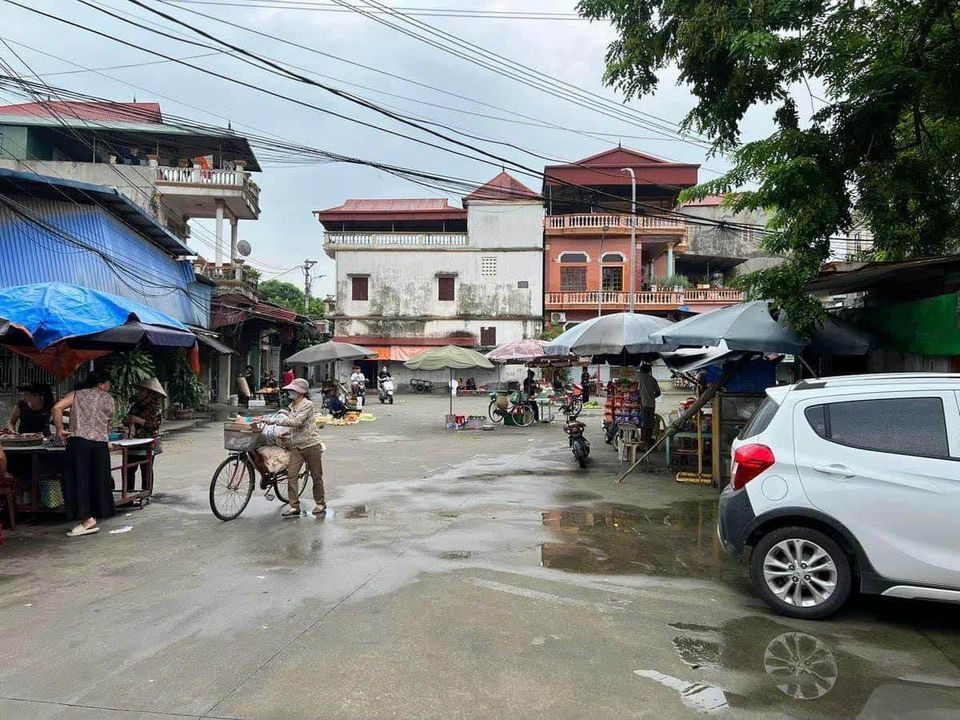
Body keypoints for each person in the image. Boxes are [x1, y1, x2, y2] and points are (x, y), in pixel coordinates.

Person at [53, 371, 116, 537]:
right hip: (100, 445)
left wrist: (60, 429)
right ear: (101, 384)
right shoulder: (108, 399)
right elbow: (107, 423)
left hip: (80, 442)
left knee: (79, 479)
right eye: (108, 383)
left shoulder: (76, 395)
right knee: (98, 479)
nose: (109, 387)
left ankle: (86, 518)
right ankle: (94, 514)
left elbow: (57, 407)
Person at [256, 378, 326, 518]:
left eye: (293, 390)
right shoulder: (292, 405)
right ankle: (294, 506)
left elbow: (297, 422)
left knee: (316, 476)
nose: (290, 393)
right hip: (296, 447)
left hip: (311, 445)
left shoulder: (307, 405)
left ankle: (320, 503)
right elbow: (291, 420)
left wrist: (272, 421)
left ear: (301, 392)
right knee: (291, 475)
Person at [123, 377, 165, 493]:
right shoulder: (136, 405)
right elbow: (125, 419)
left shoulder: (156, 407)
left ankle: (146, 493)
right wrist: (128, 420)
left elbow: (154, 425)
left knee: (146, 468)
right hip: (133, 441)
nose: (140, 394)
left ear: (150, 393)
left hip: (148, 442)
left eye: (143, 391)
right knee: (129, 468)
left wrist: (138, 420)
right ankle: (129, 493)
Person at [638, 364, 662, 446]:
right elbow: (658, 392)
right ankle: (648, 440)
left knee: (643, 423)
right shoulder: (653, 379)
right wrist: (652, 396)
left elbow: (637, 392)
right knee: (650, 423)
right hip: (651, 404)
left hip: (642, 404)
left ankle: (643, 440)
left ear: (642, 370)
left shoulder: (640, 379)